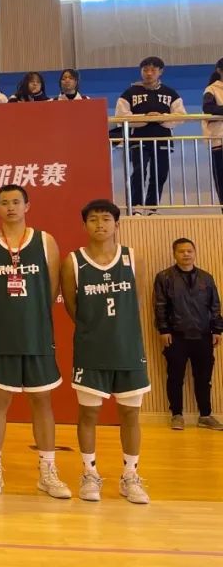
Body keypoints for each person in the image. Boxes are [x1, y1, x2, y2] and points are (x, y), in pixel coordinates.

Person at [0, 185, 70, 498]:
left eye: (16, 202)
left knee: (42, 402)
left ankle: (48, 471)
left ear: (27, 206)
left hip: (37, 335)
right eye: (4, 203)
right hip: (1, 336)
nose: (11, 207)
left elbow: (51, 288)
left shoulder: (45, 241)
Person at [59, 199, 150, 504]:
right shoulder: (74, 261)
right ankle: (89, 473)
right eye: (94, 219)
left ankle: (130, 476)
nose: (100, 224)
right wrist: (94, 330)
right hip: (91, 351)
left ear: (116, 224)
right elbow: (72, 307)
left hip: (128, 349)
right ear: (84, 225)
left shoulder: (132, 258)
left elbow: (136, 302)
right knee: (89, 414)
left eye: (106, 219)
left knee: (130, 414)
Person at [153, 238, 223, 430]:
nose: (186, 254)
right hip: (176, 336)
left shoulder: (206, 278)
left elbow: (215, 305)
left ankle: (205, 416)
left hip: (203, 335)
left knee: (204, 378)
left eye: (189, 251)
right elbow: (160, 305)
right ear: (174, 254)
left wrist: (217, 329)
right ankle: (176, 415)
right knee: (175, 377)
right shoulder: (164, 277)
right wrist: (164, 329)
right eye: (181, 251)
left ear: (195, 253)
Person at [114, 56, 187, 212]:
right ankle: (137, 206)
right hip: (138, 140)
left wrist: (161, 118)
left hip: (162, 139)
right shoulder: (130, 93)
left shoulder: (170, 93)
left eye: (153, 70)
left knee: (160, 174)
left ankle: (152, 208)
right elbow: (120, 116)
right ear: (141, 71)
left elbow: (181, 116)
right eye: (145, 70)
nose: (149, 73)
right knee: (139, 171)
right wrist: (145, 118)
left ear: (160, 72)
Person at [204, 67, 223, 210]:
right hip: (219, 140)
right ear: (219, 71)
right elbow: (208, 108)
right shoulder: (212, 89)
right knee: (221, 179)